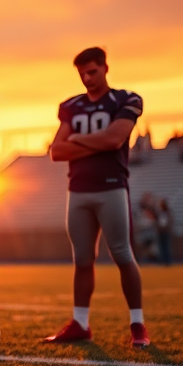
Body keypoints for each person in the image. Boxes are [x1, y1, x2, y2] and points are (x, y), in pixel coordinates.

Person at [47, 47, 150, 348]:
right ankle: (80, 323)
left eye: (92, 71)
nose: (87, 78)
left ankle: (137, 323)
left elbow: (114, 138)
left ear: (106, 67)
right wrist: (96, 143)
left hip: (111, 187)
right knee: (82, 260)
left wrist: (77, 140)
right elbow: (57, 151)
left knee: (122, 254)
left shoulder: (125, 99)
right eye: (82, 74)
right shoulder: (72, 105)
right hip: (78, 189)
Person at [156, 199, 173, 266]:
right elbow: (157, 221)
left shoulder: (167, 212)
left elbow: (169, 222)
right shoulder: (159, 213)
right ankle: (162, 260)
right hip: (160, 231)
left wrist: (166, 228)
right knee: (161, 247)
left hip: (165, 231)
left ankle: (167, 260)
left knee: (166, 246)